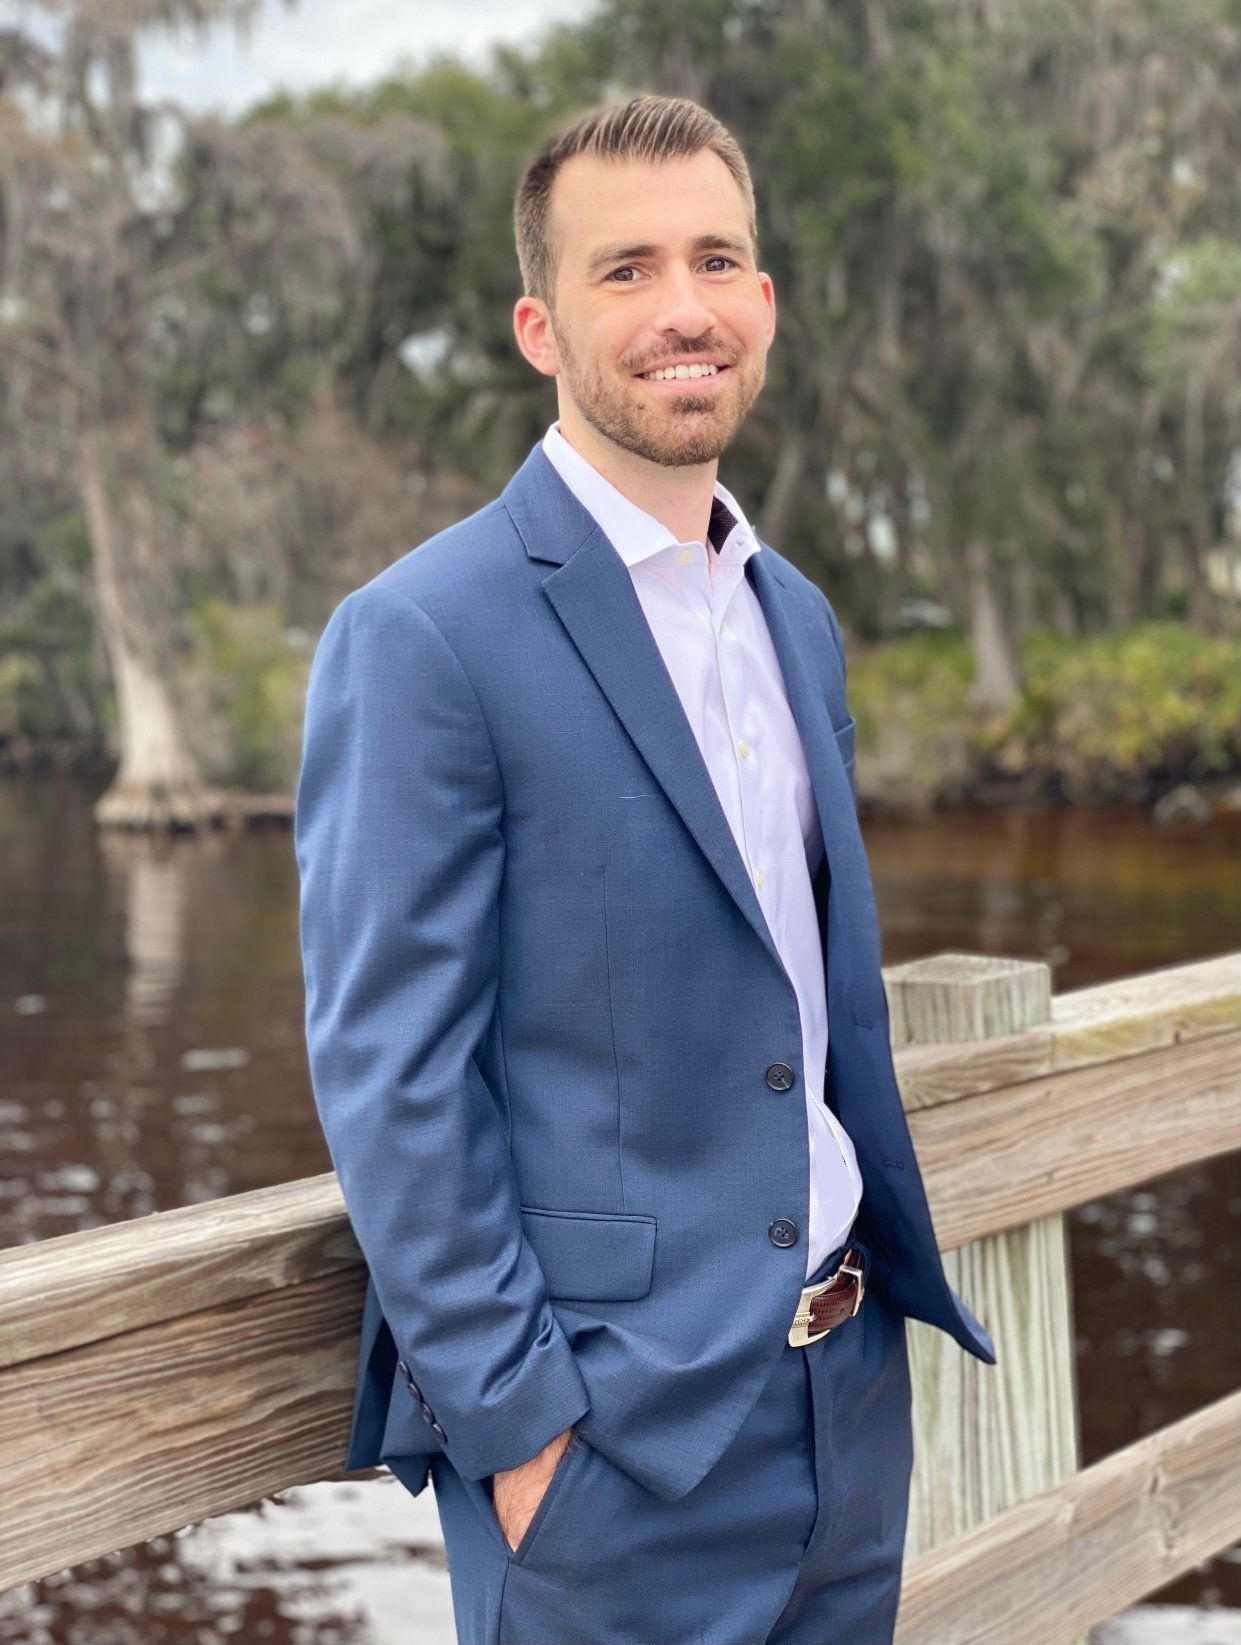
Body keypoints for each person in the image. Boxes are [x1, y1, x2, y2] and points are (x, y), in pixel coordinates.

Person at [294, 92, 996, 1645]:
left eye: (714, 260)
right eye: (625, 271)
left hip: (842, 1391)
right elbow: (389, 1072)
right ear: (539, 326)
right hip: (614, 1453)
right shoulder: (423, 634)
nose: (680, 308)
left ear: (761, 301)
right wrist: (526, 1433)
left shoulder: (791, 616)